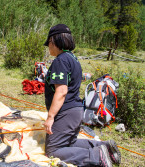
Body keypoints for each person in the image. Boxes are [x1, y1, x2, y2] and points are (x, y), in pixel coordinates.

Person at [43, 24, 121, 167]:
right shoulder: (72, 58)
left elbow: (61, 91)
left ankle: (96, 156)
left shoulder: (60, 61)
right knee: (69, 143)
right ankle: (105, 147)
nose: (48, 47)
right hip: (76, 110)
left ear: (54, 41)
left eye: (48, 43)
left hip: (65, 112)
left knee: (53, 150)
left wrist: (50, 117)